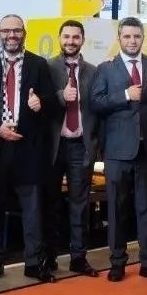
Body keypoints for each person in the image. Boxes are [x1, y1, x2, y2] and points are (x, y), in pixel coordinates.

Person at [89, 17, 147, 284]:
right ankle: (117, 262)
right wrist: (125, 95)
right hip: (117, 152)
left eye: (136, 36)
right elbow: (95, 102)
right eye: (127, 36)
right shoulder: (106, 69)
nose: (132, 41)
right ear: (119, 38)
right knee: (116, 209)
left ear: (142, 38)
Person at [0, 14, 57, 283]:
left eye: (17, 30)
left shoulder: (38, 64)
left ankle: (33, 262)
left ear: (24, 33)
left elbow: (51, 102)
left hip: (27, 146)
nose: (12, 35)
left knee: (32, 207)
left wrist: (40, 103)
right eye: (6, 30)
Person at [44, 20, 99, 277]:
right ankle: (49, 257)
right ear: (59, 38)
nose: (70, 41)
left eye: (75, 37)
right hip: (54, 147)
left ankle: (79, 257)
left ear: (83, 40)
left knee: (80, 204)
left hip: (81, 146)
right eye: (66, 36)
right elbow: (39, 103)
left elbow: (98, 109)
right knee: (50, 203)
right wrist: (59, 96)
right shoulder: (47, 68)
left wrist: (96, 144)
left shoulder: (93, 72)